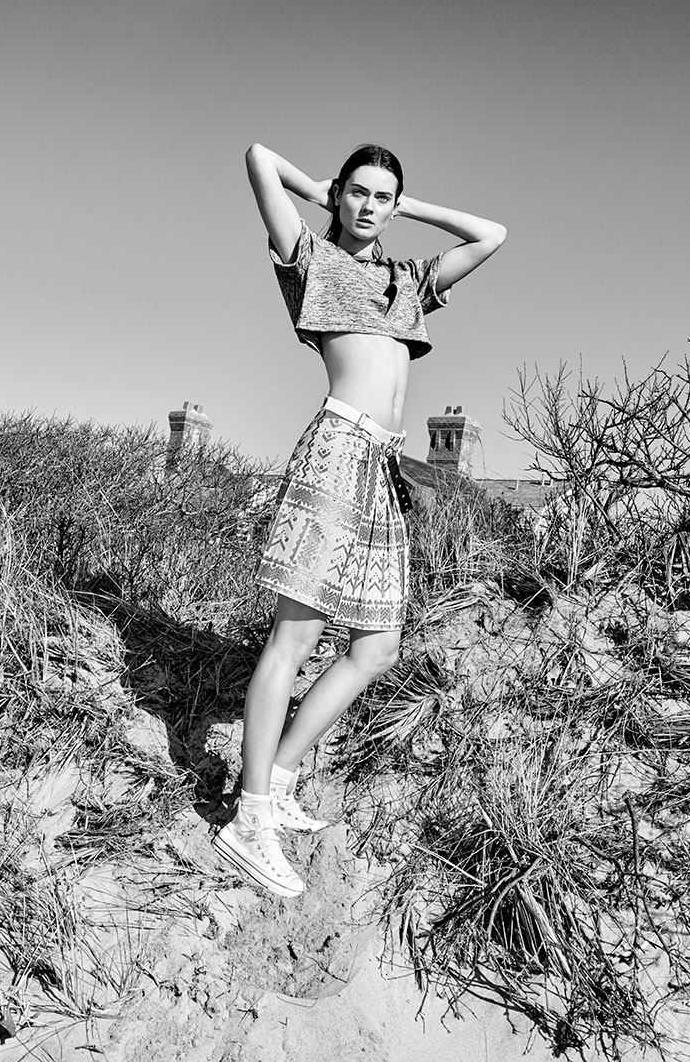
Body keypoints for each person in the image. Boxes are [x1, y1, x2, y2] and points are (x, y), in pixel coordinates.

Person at [213, 142, 507, 897]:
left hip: (384, 469)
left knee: (376, 646)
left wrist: (413, 206)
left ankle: (275, 779)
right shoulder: (308, 256)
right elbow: (257, 158)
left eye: (385, 196)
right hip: (338, 450)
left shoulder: (406, 280)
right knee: (297, 635)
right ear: (339, 196)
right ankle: (249, 821)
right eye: (360, 192)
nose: (371, 205)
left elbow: (490, 235)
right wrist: (317, 189)